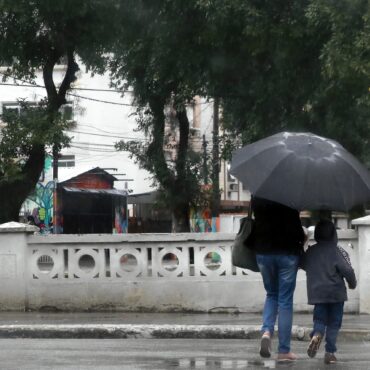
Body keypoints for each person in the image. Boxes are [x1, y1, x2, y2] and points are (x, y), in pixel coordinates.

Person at [247, 197, 305, 362]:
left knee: (271, 294)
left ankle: (266, 331)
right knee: (285, 301)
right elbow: (297, 232)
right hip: (287, 253)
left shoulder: (258, 194)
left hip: (263, 253)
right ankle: (284, 351)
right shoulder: (290, 195)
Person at [301, 220, 357, 365]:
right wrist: (352, 284)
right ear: (334, 234)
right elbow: (348, 270)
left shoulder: (311, 251)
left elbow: (302, 263)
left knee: (319, 320)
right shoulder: (338, 250)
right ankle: (330, 352)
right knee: (334, 323)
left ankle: (317, 334)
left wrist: (304, 243)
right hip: (336, 294)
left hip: (317, 294)